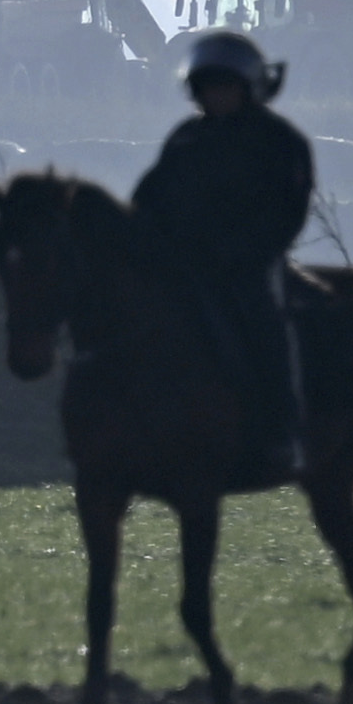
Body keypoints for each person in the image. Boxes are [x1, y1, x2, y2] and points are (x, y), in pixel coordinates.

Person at [134, 26, 323, 471]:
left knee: (265, 324)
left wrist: (241, 256)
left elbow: (286, 214)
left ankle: (283, 433)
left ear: (249, 89)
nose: (215, 97)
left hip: (251, 268)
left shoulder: (280, 142)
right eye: (208, 88)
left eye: (225, 87)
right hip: (185, 267)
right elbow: (150, 200)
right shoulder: (186, 140)